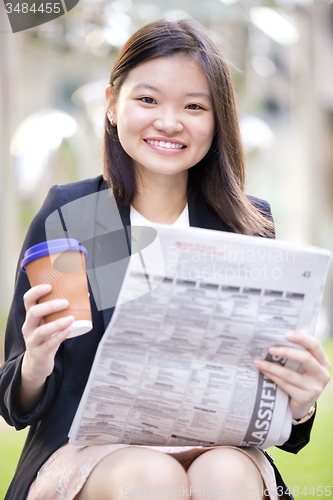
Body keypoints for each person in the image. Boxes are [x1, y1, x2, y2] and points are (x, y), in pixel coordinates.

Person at [0, 18, 330, 500]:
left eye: (194, 106)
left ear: (217, 121)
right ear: (112, 104)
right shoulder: (78, 216)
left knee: (228, 476)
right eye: (148, 100)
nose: (169, 122)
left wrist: (301, 404)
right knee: (153, 478)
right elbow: (16, 402)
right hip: (93, 452)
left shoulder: (246, 223)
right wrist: (36, 360)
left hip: (216, 448)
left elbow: (273, 400)